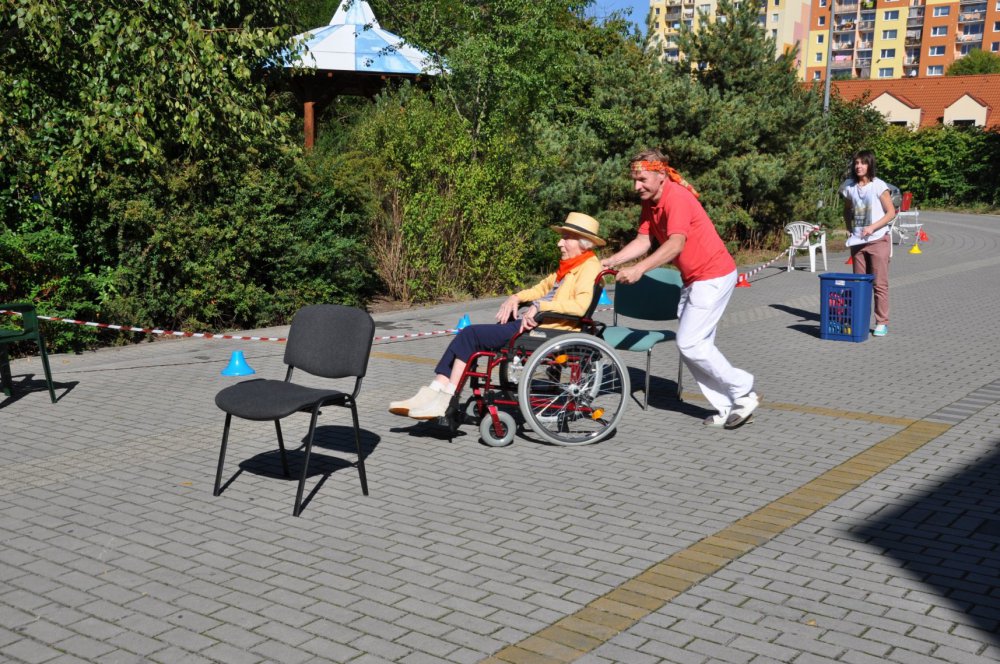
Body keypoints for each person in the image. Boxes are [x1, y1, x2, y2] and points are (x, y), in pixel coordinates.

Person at [389, 212, 605, 420]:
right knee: (468, 336)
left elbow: (579, 306)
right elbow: (541, 288)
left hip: (548, 330)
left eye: (565, 238)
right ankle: (433, 391)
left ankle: (446, 398)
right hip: (536, 324)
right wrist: (515, 297)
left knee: (470, 335)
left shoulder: (589, 267)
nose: (559, 243)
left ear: (582, 242)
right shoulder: (571, 265)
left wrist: (540, 306)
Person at [601, 149, 758, 429]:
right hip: (693, 279)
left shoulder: (677, 198)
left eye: (642, 179)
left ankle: (743, 390)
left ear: (661, 175)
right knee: (694, 347)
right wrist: (610, 261)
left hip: (713, 275)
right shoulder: (650, 203)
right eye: (634, 179)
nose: (636, 186)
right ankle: (727, 406)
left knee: (689, 343)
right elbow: (643, 241)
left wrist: (639, 269)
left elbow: (676, 244)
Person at [840, 150, 895, 337]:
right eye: (856, 163)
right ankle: (858, 320)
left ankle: (881, 322)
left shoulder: (879, 185)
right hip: (858, 242)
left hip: (878, 240)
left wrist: (872, 227)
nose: (859, 166)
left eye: (863, 163)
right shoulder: (849, 187)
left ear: (870, 165)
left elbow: (891, 212)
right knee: (859, 284)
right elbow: (847, 209)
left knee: (879, 284)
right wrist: (849, 228)